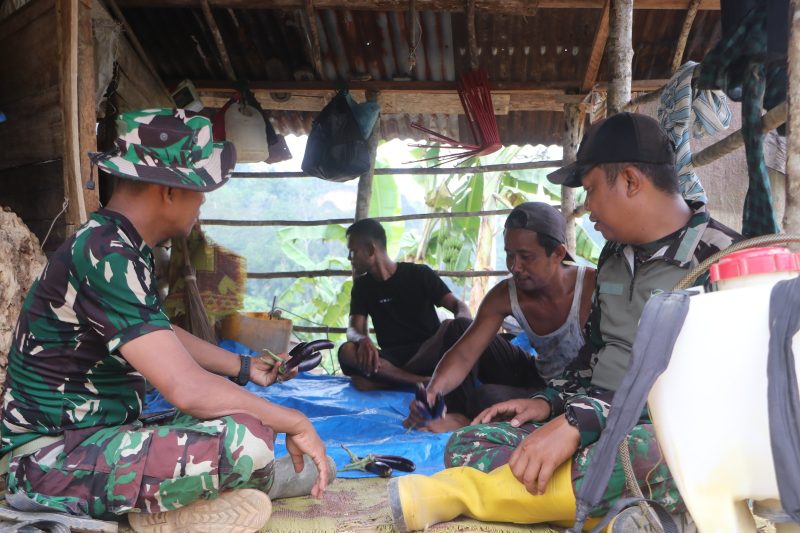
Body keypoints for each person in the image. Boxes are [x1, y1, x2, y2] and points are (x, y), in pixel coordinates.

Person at [387, 112, 740, 532]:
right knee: (472, 442)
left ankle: (470, 494)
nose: (587, 207)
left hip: (657, 426)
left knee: (661, 451)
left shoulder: (724, 260)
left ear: (629, 181)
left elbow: (720, 396)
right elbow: (593, 356)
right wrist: (549, 403)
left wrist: (583, 421)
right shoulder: (612, 258)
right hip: (590, 419)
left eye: (590, 189)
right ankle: (614, 515)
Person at [0, 109, 330, 533]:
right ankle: (163, 510)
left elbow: (158, 331)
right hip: (46, 459)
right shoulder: (107, 253)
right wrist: (296, 421)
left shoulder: (120, 245)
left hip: (96, 438)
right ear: (168, 191)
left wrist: (245, 368)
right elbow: (186, 389)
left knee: (246, 425)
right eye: (201, 189)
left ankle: (167, 504)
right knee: (248, 439)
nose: (205, 200)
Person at [404, 202, 596, 432]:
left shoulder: (593, 287)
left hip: (578, 392)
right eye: (509, 255)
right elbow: (465, 354)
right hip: (538, 376)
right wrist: (433, 392)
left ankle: (467, 420)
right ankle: (449, 414)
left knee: (487, 398)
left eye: (526, 256)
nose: (515, 267)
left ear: (557, 253)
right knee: (458, 328)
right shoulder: (506, 294)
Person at [337, 218, 471, 390]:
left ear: (370, 249)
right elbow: (354, 329)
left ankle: (389, 379)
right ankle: (422, 382)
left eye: (353, 252)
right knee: (347, 351)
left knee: (448, 326)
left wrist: (462, 328)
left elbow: (458, 306)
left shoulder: (419, 274)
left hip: (430, 352)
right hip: (392, 358)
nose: (350, 258)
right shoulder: (363, 287)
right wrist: (362, 339)